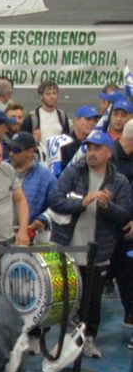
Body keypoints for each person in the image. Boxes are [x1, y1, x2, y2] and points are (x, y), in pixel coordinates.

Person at [49, 130, 132, 357]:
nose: (91, 153)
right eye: (89, 148)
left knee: (93, 299)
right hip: (69, 246)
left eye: (97, 149)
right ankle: (65, 340)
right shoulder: (74, 173)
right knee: (66, 296)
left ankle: (88, 338)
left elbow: (125, 214)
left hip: (100, 249)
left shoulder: (119, 181)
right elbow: (54, 199)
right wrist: (81, 204)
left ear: (108, 152)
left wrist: (108, 207)